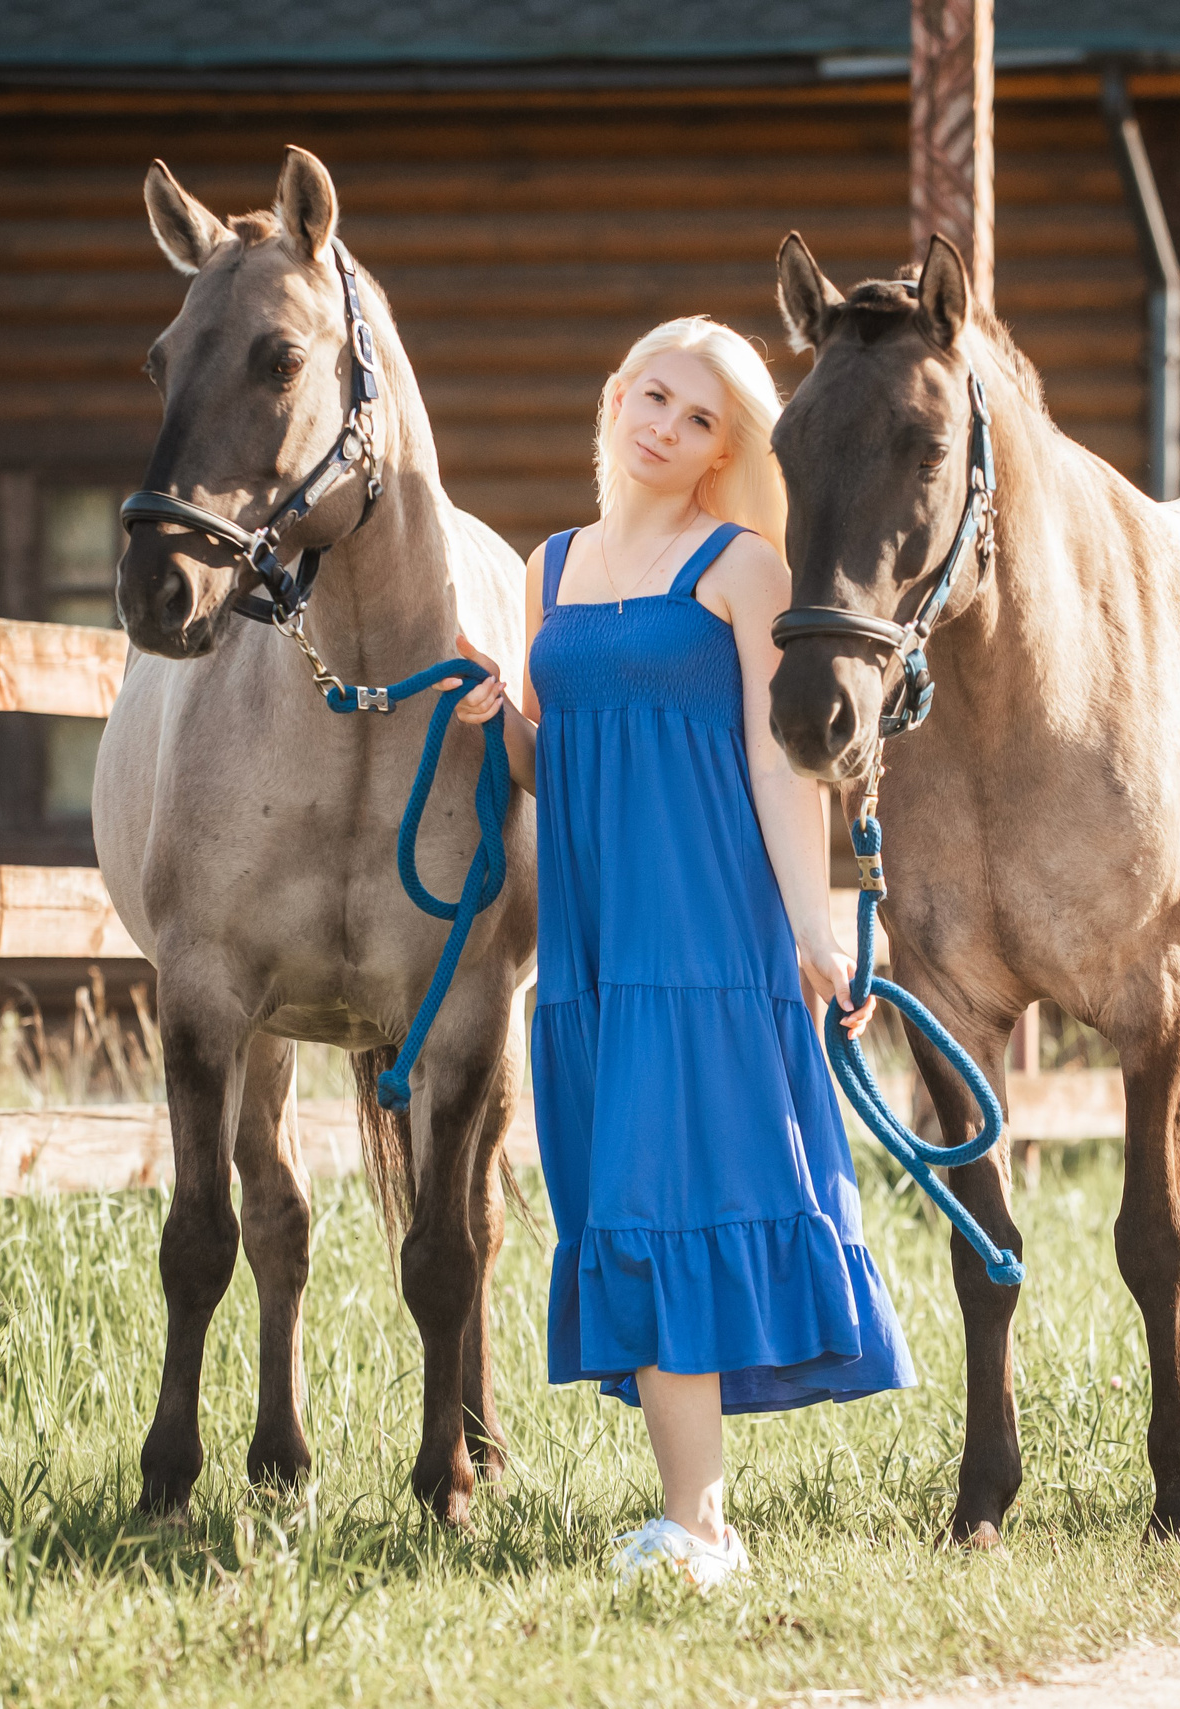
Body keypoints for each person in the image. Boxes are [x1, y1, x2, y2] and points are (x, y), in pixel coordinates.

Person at [447, 317, 915, 1590]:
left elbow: (779, 759)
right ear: (615, 395)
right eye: (653, 396)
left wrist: (812, 923)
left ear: (724, 449)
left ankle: (698, 1525)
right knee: (629, 1201)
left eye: (699, 416)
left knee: (670, 1197)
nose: (665, 424)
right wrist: (495, 718)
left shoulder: (742, 565)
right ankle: (693, 1515)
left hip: (708, 935)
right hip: (596, 948)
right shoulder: (551, 565)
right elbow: (557, 762)